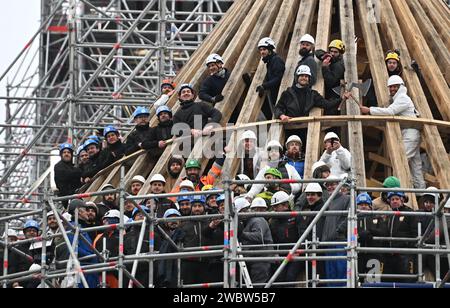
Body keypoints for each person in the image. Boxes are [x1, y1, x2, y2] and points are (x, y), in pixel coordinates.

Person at [354, 75, 426, 189]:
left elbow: (390, 111)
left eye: (395, 87)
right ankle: (421, 191)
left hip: (410, 134)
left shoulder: (403, 98)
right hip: (410, 133)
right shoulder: (399, 99)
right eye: (390, 87)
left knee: (402, 162)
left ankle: (401, 190)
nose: (392, 89)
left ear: (400, 86)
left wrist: (369, 110)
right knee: (415, 166)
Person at [55, 199, 99, 288]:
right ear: (79, 211)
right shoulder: (73, 227)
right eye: (86, 210)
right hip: (82, 266)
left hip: (88, 267)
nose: (88, 213)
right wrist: (92, 256)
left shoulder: (80, 227)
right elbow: (73, 247)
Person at [275, 65, 340, 121]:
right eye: (301, 76)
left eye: (306, 76)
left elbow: (327, 104)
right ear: (297, 78)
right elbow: (278, 107)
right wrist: (281, 115)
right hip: (289, 128)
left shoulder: (313, 94)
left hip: (305, 128)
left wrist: (341, 98)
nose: (304, 78)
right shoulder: (287, 94)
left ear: (309, 79)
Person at [321, 176, 350, 285]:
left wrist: (338, 230)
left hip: (340, 242)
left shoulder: (347, 199)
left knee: (341, 272)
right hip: (328, 243)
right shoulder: (327, 202)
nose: (330, 187)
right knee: (330, 274)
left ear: (340, 185)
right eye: (328, 185)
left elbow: (349, 217)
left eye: (333, 184)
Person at [237, 198, 273, 285]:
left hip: (261, 259)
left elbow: (258, 236)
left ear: (244, 210)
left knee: (258, 285)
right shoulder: (249, 221)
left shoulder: (257, 220)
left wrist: (242, 234)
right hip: (255, 259)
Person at [383, 192, 417, 282]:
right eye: (392, 199)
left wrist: (409, 248)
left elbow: (415, 233)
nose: (394, 201)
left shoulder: (409, 213)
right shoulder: (389, 215)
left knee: (406, 282)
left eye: (397, 199)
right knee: (388, 283)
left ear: (402, 200)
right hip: (390, 255)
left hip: (404, 254)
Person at [124, 205, 161, 288]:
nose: (141, 216)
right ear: (133, 218)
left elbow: (159, 255)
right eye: (138, 214)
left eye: (143, 214)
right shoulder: (126, 236)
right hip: (130, 272)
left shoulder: (154, 235)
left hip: (148, 272)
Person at [269, 192, 301, 284]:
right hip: (281, 256)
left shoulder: (296, 217)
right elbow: (272, 240)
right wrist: (275, 254)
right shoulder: (273, 221)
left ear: (285, 205)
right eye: (273, 207)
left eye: (276, 206)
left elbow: (304, 234)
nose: (274, 209)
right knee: (278, 279)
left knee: (289, 277)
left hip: (296, 255)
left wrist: (298, 251)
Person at [355, 193, 387, 281]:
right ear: (357, 206)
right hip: (358, 255)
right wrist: (358, 236)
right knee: (357, 282)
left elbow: (384, 232)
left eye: (366, 204)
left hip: (374, 254)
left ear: (370, 206)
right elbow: (342, 231)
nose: (363, 207)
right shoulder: (353, 218)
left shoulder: (377, 217)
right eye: (361, 204)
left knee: (373, 282)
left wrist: (370, 232)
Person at [180, 195, 210, 285]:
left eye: (200, 206)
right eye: (194, 206)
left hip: (206, 262)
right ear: (191, 208)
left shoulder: (210, 222)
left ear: (204, 207)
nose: (197, 208)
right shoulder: (184, 224)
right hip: (189, 263)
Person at [255, 37, 285, 118]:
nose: (262, 52)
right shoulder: (270, 61)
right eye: (260, 50)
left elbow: (278, 78)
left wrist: (264, 86)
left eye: (264, 49)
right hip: (275, 94)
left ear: (270, 50)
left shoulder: (276, 60)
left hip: (280, 95)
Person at [93, 210, 121, 288]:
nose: (104, 222)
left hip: (116, 273)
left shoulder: (123, 235)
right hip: (100, 273)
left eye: (107, 219)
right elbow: (94, 253)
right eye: (104, 220)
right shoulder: (99, 237)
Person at [157, 209, 185, 288]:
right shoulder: (160, 235)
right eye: (170, 219)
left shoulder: (184, 232)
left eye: (176, 218)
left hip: (182, 266)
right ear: (165, 222)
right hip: (168, 268)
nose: (173, 221)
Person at [320, 40, 346, 113]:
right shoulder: (333, 59)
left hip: (333, 96)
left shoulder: (339, 66)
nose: (332, 54)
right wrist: (326, 55)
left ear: (340, 53)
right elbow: (317, 52)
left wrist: (325, 67)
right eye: (331, 51)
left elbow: (330, 82)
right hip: (329, 95)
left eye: (335, 52)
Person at [54, 143, 83, 208]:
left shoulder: (73, 167)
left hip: (76, 196)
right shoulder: (58, 166)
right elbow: (68, 174)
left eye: (68, 152)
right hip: (67, 198)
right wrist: (79, 172)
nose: (66, 154)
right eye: (64, 152)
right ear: (61, 155)